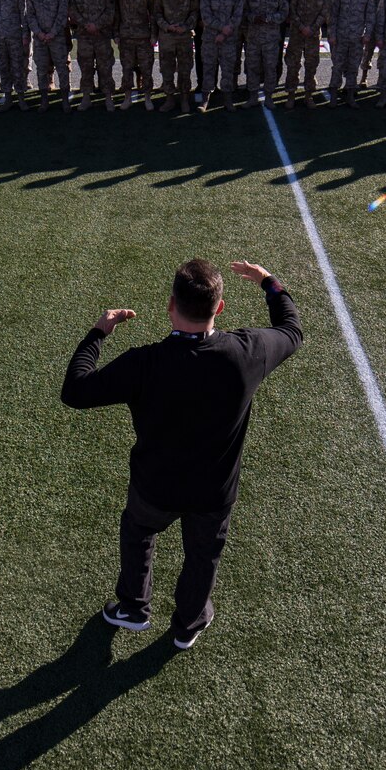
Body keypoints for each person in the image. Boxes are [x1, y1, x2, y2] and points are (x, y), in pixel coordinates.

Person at [62, 259, 302, 651]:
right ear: (219, 308)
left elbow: (75, 390)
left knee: (138, 533)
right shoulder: (247, 352)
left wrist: (99, 332)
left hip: (155, 486)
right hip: (213, 493)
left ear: (170, 305)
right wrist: (268, 282)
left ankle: (133, 608)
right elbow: (291, 329)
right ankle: (188, 624)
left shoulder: (144, 363)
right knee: (203, 556)